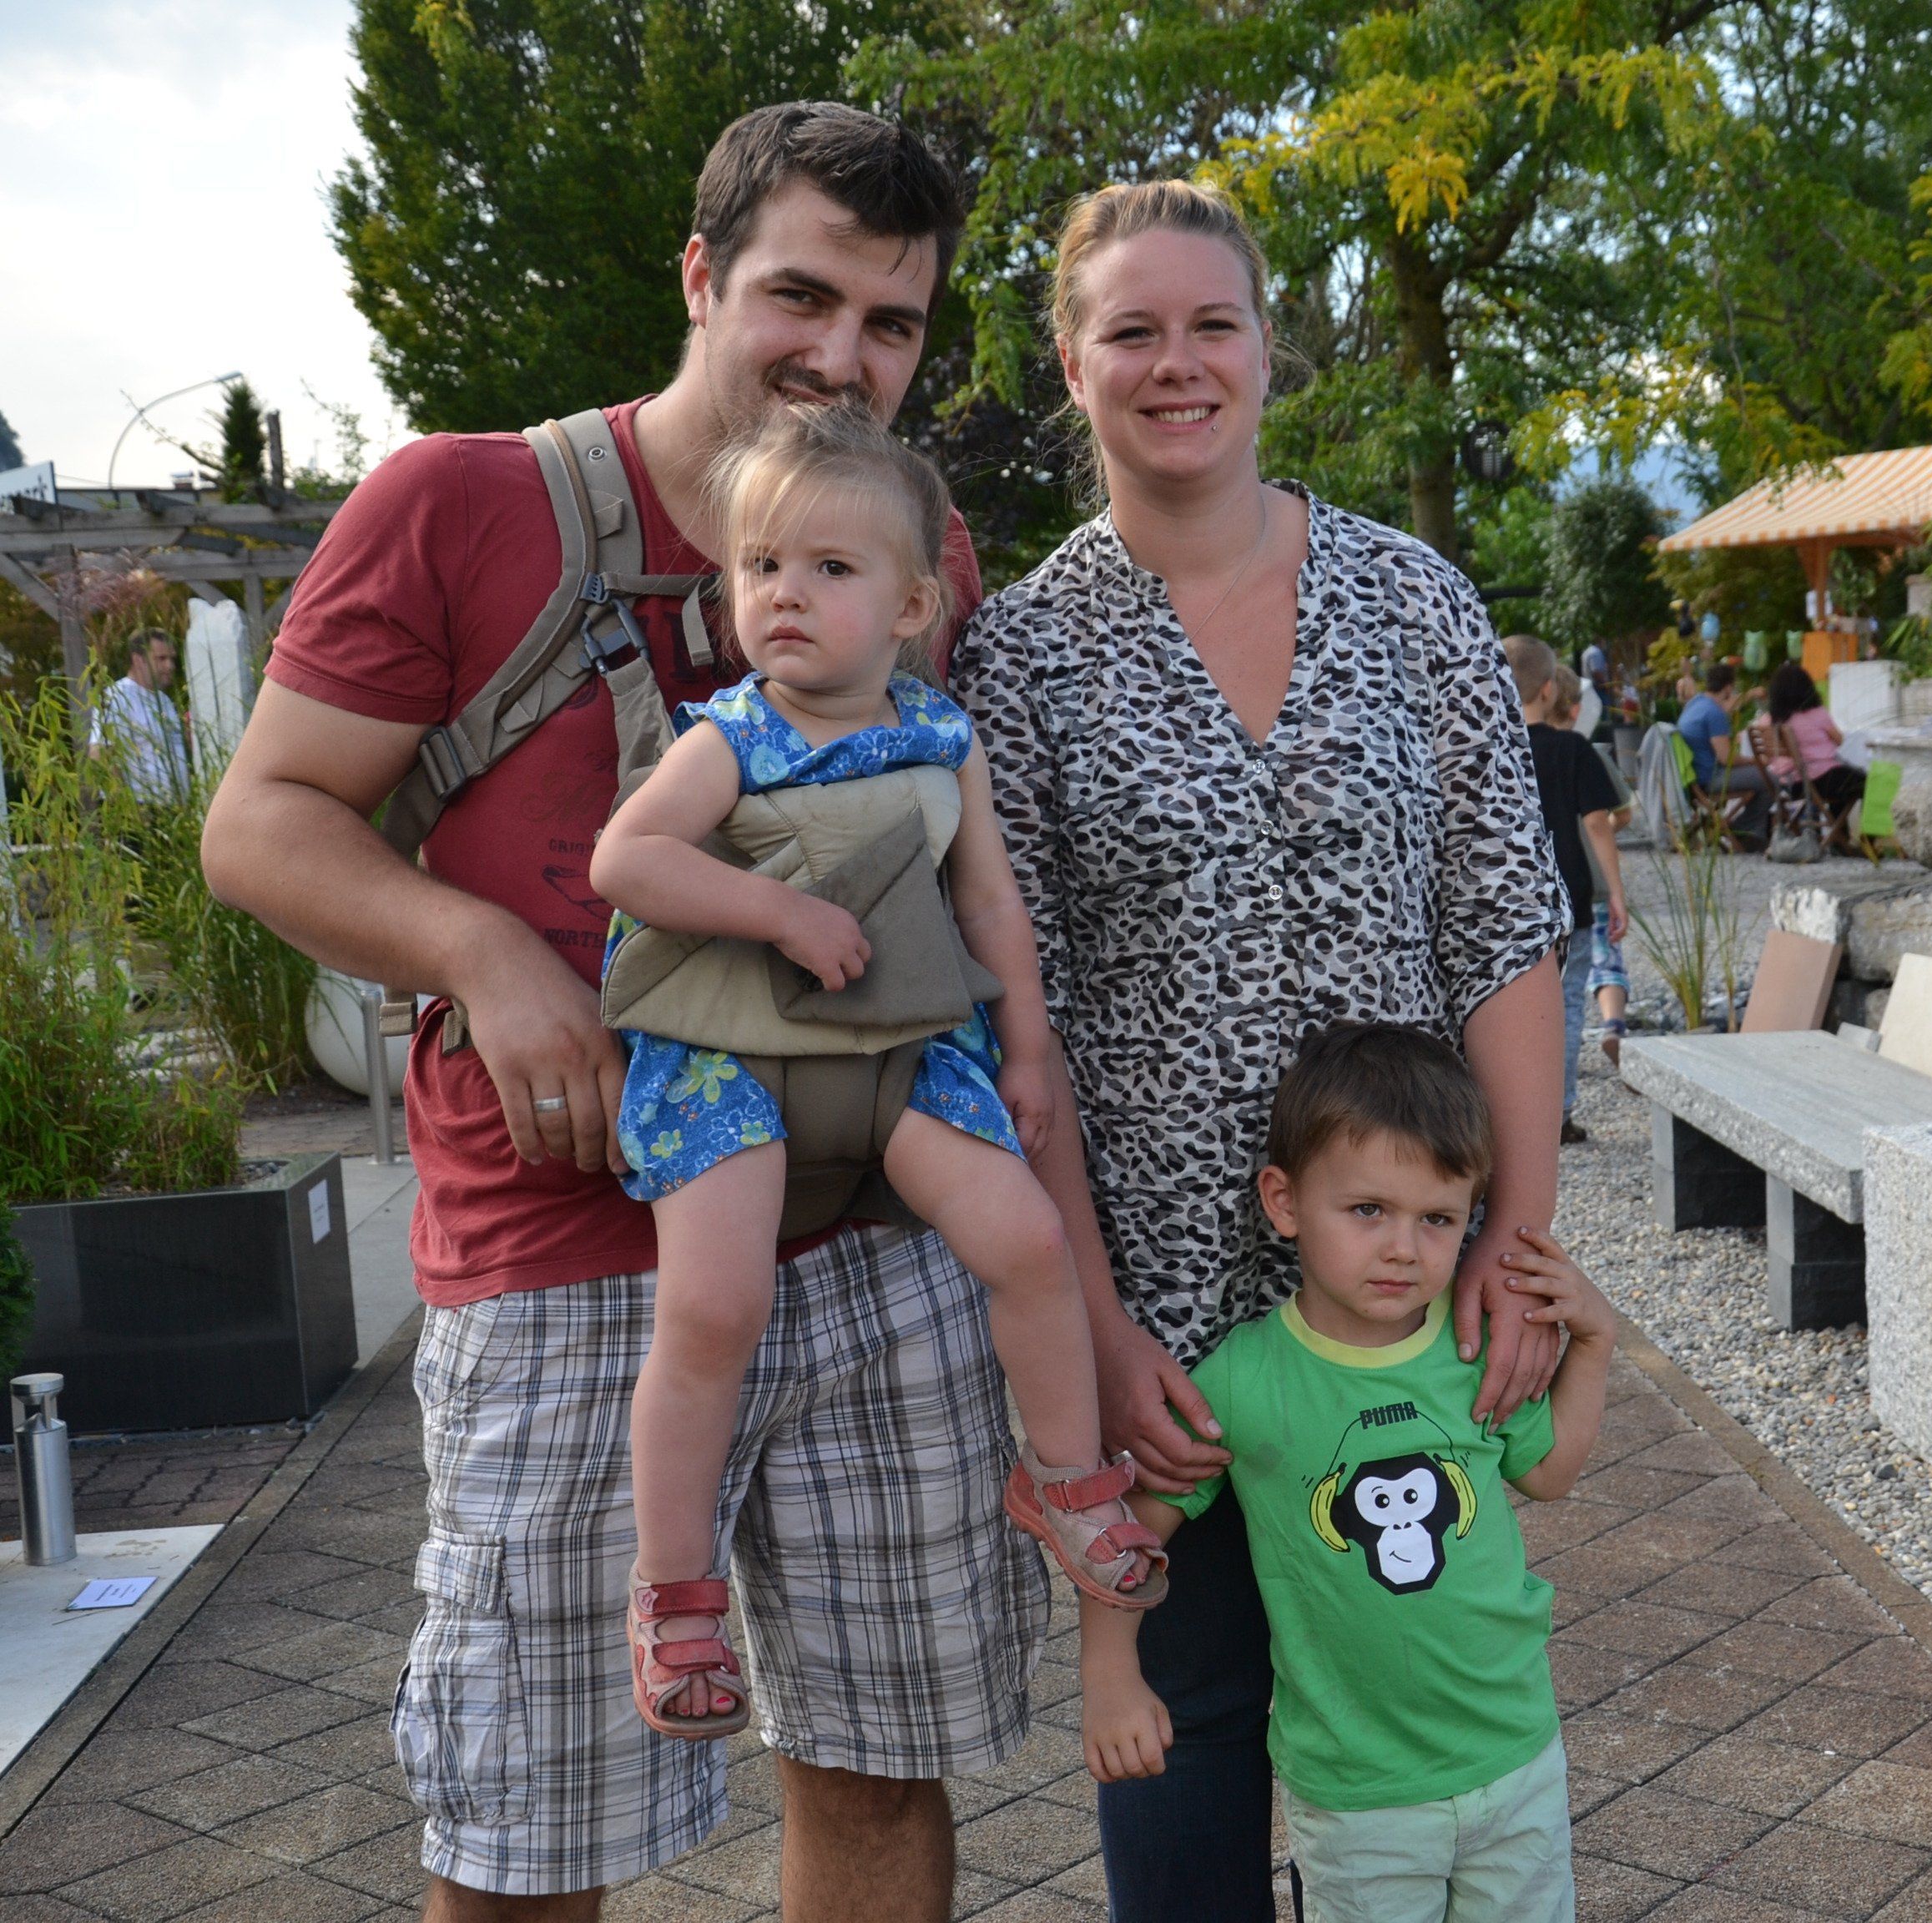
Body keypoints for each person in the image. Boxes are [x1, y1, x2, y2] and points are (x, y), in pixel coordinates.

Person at [202, 103, 1046, 1920]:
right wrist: (490, 958)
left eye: (891, 323)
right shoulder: (463, 504)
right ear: (700, 275)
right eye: (800, 296)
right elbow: (260, 822)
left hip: (873, 1231)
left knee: (882, 1772)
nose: (842, 356)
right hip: (563, 1257)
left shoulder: (926, 546)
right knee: (533, 1832)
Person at [952, 179, 1571, 1922]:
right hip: (1171, 1318)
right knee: (1190, 1724)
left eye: (1210, 323)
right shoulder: (1026, 656)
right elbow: (1025, 1026)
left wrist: (1510, 1251)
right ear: (1071, 361)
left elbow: (1505, 935)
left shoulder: (1415, 602)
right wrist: (1091, 1316)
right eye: (1131, 329)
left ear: (1266, 349)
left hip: (1395, 1289)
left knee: (1426, 1724)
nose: (1177, 363)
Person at [589, 408, 1163, 1742]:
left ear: (913, 604)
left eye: (830, 570)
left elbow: (994, 910)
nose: (785, 592)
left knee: (1026, 1241)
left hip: (899, 1047)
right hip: (729, 1051)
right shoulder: (730, 735)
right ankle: (676, 1585)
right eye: (762, 565)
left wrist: (1026, 1051)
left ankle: (1067, 1485)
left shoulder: (943, 738)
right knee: (715, 1306)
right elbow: (630, 861)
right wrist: (781, 915)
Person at [1082, 1023, 1613, 1923]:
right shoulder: (1244, 1381)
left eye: (1437, 1218)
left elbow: (1551, 1473)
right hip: (1360, 1793)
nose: (1404, 1248)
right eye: (1368, 1210)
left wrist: (1595, 1344)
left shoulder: (1468, 1347)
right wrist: (1109, 1671)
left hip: (1516, 1756)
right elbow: (1131, 1529)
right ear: (1284, 1203)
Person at [1506, 635, 1625, 1146]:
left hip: (1503, 900)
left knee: (1504, 1011)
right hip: (1566, 898)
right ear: (1551, 690)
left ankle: (1507, 1119)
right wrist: (1615, 893)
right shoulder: (1571, 749)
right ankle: (1556, 1114)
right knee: (1566, 1006)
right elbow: (1598, 823)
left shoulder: (1485, 749)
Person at [1549, 671, 1634, 1067]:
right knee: (1605, 958)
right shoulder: (1588, 752)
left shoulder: (1516, 750)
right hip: (1593, 880)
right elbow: (1622, 814)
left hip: (1547, 886)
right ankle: (1613, 1023)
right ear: (1577, 709)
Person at [89, 628, 188, 805]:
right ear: (138, 659)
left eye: (172, 659)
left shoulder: (164, 701)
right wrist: (127, 808)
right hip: (141, 809)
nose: (170, 666)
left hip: (173, 811)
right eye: (161, 659)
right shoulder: (117, 697)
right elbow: (101, 754)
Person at [1676, 660, 1771, 839]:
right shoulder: (1714, 713)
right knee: (1771, 778)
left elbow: (1728, 707)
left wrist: (1749, 695)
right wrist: (1756, 761)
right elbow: (1726, 759)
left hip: (1693, 778)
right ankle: (1743, 831)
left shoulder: (1695, 704)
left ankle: (1745, 830)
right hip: (1711, 778)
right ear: (1728, 688)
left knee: (1762, 776)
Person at [1765, 658, 1865, 814]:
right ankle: (1866, 836)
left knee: (1844, 782)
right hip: (1821, 781)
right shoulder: (1817, 714)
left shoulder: (1771, 720)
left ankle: (1839, 835)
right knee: (1873, 782)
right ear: (1807, 688)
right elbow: (1839, 740)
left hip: (1791, 785)